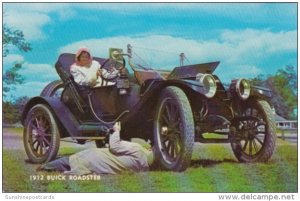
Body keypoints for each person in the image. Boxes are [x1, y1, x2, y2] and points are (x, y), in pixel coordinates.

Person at [36, 122, 154, 175]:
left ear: (151, 150)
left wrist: (116, 131)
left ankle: (46, 167)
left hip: (96, 158)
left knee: (70, 160)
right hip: (100, 167)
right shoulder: (144, 167)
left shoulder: (138, 150)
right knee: (72, 162)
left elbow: (115, 146)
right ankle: (48, 167)